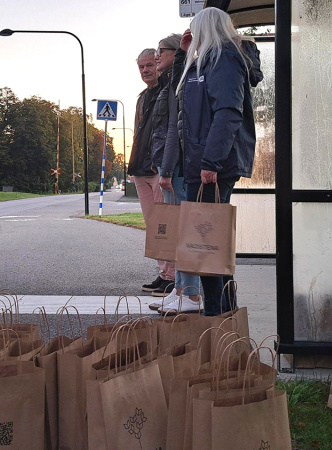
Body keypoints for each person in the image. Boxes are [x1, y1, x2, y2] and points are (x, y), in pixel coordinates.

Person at [174, 7, 259, 316]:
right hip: (205, 162)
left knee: (208, 245)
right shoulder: (207, 60)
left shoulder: (223, 58)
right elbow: (181, 98)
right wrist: (185, 56)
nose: (192, 36)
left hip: (212, 165)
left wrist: (210, 161)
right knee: (212, 244)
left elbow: (227, 112)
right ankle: (223, 316)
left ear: (205, 29)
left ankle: (216, 317)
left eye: (195, 31)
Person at [147, 33, 204, 314]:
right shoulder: (172, 81)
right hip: (172, 166)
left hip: (178, 168)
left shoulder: (178, 81)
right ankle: (181, 291)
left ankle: (190, 294)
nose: (156, 56)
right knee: (179, 234)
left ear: (175, 53)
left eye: (161, 51)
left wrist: (167, 169)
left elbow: (173, 129)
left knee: (184, 234)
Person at [128, 48, 176, 298]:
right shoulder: (141, 97)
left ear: (158, 64)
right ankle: (164, 275)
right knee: (153, 227)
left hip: (158, 168)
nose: (146, 70)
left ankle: (172, 277)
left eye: (149, 65)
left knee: (164, 225)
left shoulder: (168, 90)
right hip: (140, 169)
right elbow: (138, 132)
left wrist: (166, 165)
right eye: (141, 67)